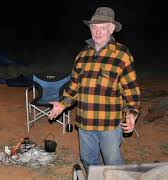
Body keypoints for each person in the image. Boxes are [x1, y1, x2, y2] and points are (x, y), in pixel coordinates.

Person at [49, 7, 140, 173]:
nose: (97, 32)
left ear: (111, 29)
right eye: (94, 27)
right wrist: (62, 105)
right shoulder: (82, 55)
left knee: (113, 162)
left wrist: (132, 112)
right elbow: (74, 86)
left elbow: (131, 89)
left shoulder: (122, 54)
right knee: (88, 160)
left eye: (102, 27)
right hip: (85, 122)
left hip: (109, 124)